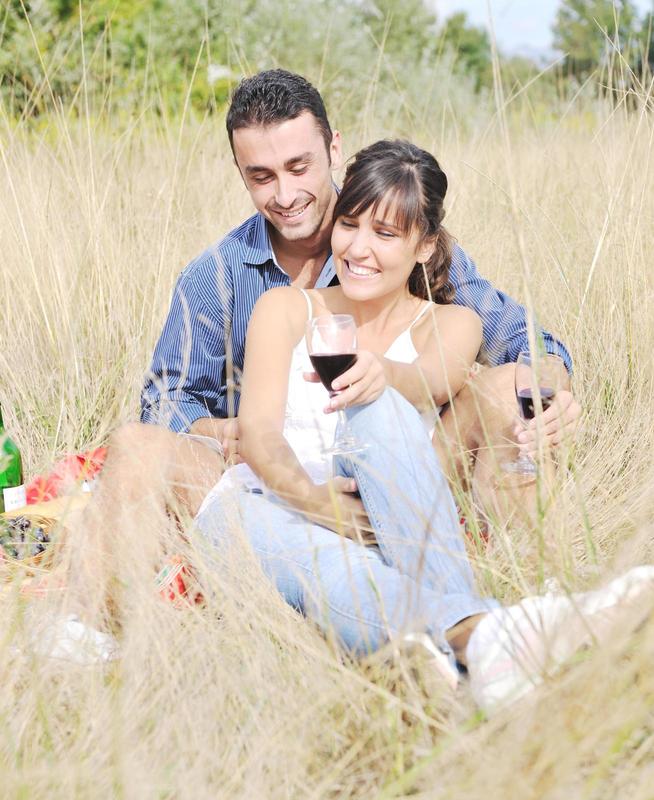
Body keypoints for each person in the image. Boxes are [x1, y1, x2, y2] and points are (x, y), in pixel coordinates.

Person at [193, 137, 654, 717]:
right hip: (265, 507)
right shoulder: (288, 310)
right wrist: (315, 502)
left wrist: (380, 373)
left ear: (424, 246)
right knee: (319, 554)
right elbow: (258, 435)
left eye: (385, 235)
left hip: (387, 518)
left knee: (377, 408)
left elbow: (432, 382)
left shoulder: (455, 323)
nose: (358, 249)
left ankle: (470, 649)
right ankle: (490, 634)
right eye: (350, 225)